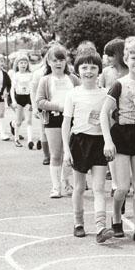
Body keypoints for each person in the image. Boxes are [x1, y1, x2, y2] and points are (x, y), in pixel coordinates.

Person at [100, 35, 135, 244]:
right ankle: (116, 218)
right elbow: (104, 113)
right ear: (126, 58)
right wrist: (108, 141)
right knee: (122, 187)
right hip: (121, 136)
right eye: (133, 57)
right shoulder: (119, 85)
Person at [62, 51, 114, 243]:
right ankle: (78, 223)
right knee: (79, 187)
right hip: (79, 142)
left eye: (93, 67)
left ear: (99, 70)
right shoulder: (73, 94)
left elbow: (110, 120)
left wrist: (110, 141)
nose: (89, 71)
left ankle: (101, 227)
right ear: (77, 71)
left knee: (99, 187)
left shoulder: (105, 94)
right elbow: (66, 124)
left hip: (99, 142)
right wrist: (67, 151)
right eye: (84, 67)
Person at [35, 44, 80, 198]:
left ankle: (66, 182)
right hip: (53, 119)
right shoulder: (45, 80)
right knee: (55, 155)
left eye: (61, 60)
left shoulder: (73, 78)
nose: (58, 63)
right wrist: (60, 107)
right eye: (55, 60)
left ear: (66, 61)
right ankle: (56, 187)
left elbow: (82, 94)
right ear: (48, 62)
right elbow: (39, 101)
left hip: (72, 119)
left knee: (70, 153)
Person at [98, 38, 129, 198]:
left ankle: (125, 180)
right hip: (110, 114)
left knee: (126, 149)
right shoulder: (106, 72)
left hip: (127, 115)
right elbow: (100, 89)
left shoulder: (130, 71)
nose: (108, 58)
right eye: (106, 55)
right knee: (112, 148)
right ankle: (115, 183)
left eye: (111, 55)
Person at [10, 53, 35, 148]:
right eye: (21, 63)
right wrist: (13, 101)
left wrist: (33, 101)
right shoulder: (16, 75)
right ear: (17, 64)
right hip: (19, 98)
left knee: (29, 120)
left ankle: (30, 140)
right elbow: (12, 89)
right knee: (19, 121)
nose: (23, 65)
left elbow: (32, 88)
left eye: (25, 63)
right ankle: (16, 139)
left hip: (28, 98)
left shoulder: (30, 75)